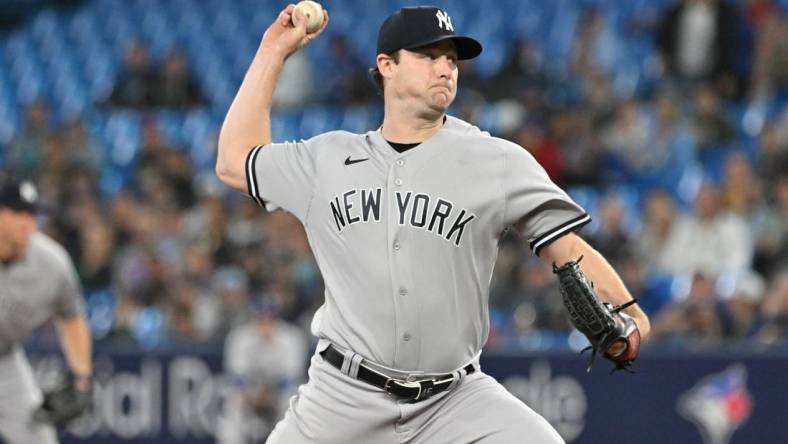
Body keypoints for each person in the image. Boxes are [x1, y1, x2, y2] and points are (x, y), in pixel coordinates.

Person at [216, 5, 651, 443]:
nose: (445, 67)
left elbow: (568, 249)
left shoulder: (496, 161)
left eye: (451, 59)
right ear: (387, 65)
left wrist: (632, 315)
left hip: (454, 400)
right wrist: (273, 51)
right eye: (429, 55)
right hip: (341, 400)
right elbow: (234, 161)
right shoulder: (326, 160)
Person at [0, 178, 93, 444]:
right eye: (18, 213)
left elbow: (72, 317)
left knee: (39, 438)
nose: (28, 222)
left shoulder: (52, 263)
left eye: (32, 214)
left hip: (5, 362)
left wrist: (81, 378)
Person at [218, 296, 307, 443]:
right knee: (232, 402)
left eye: (270, 318)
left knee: (292, 400)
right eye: (261, 318)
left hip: (280, 392)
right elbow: (236, 377)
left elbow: (291, 377)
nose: (266, 323)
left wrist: (268, 393)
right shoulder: (239, 337)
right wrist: (253, 394)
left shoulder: (292, 337)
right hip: (250, 392)